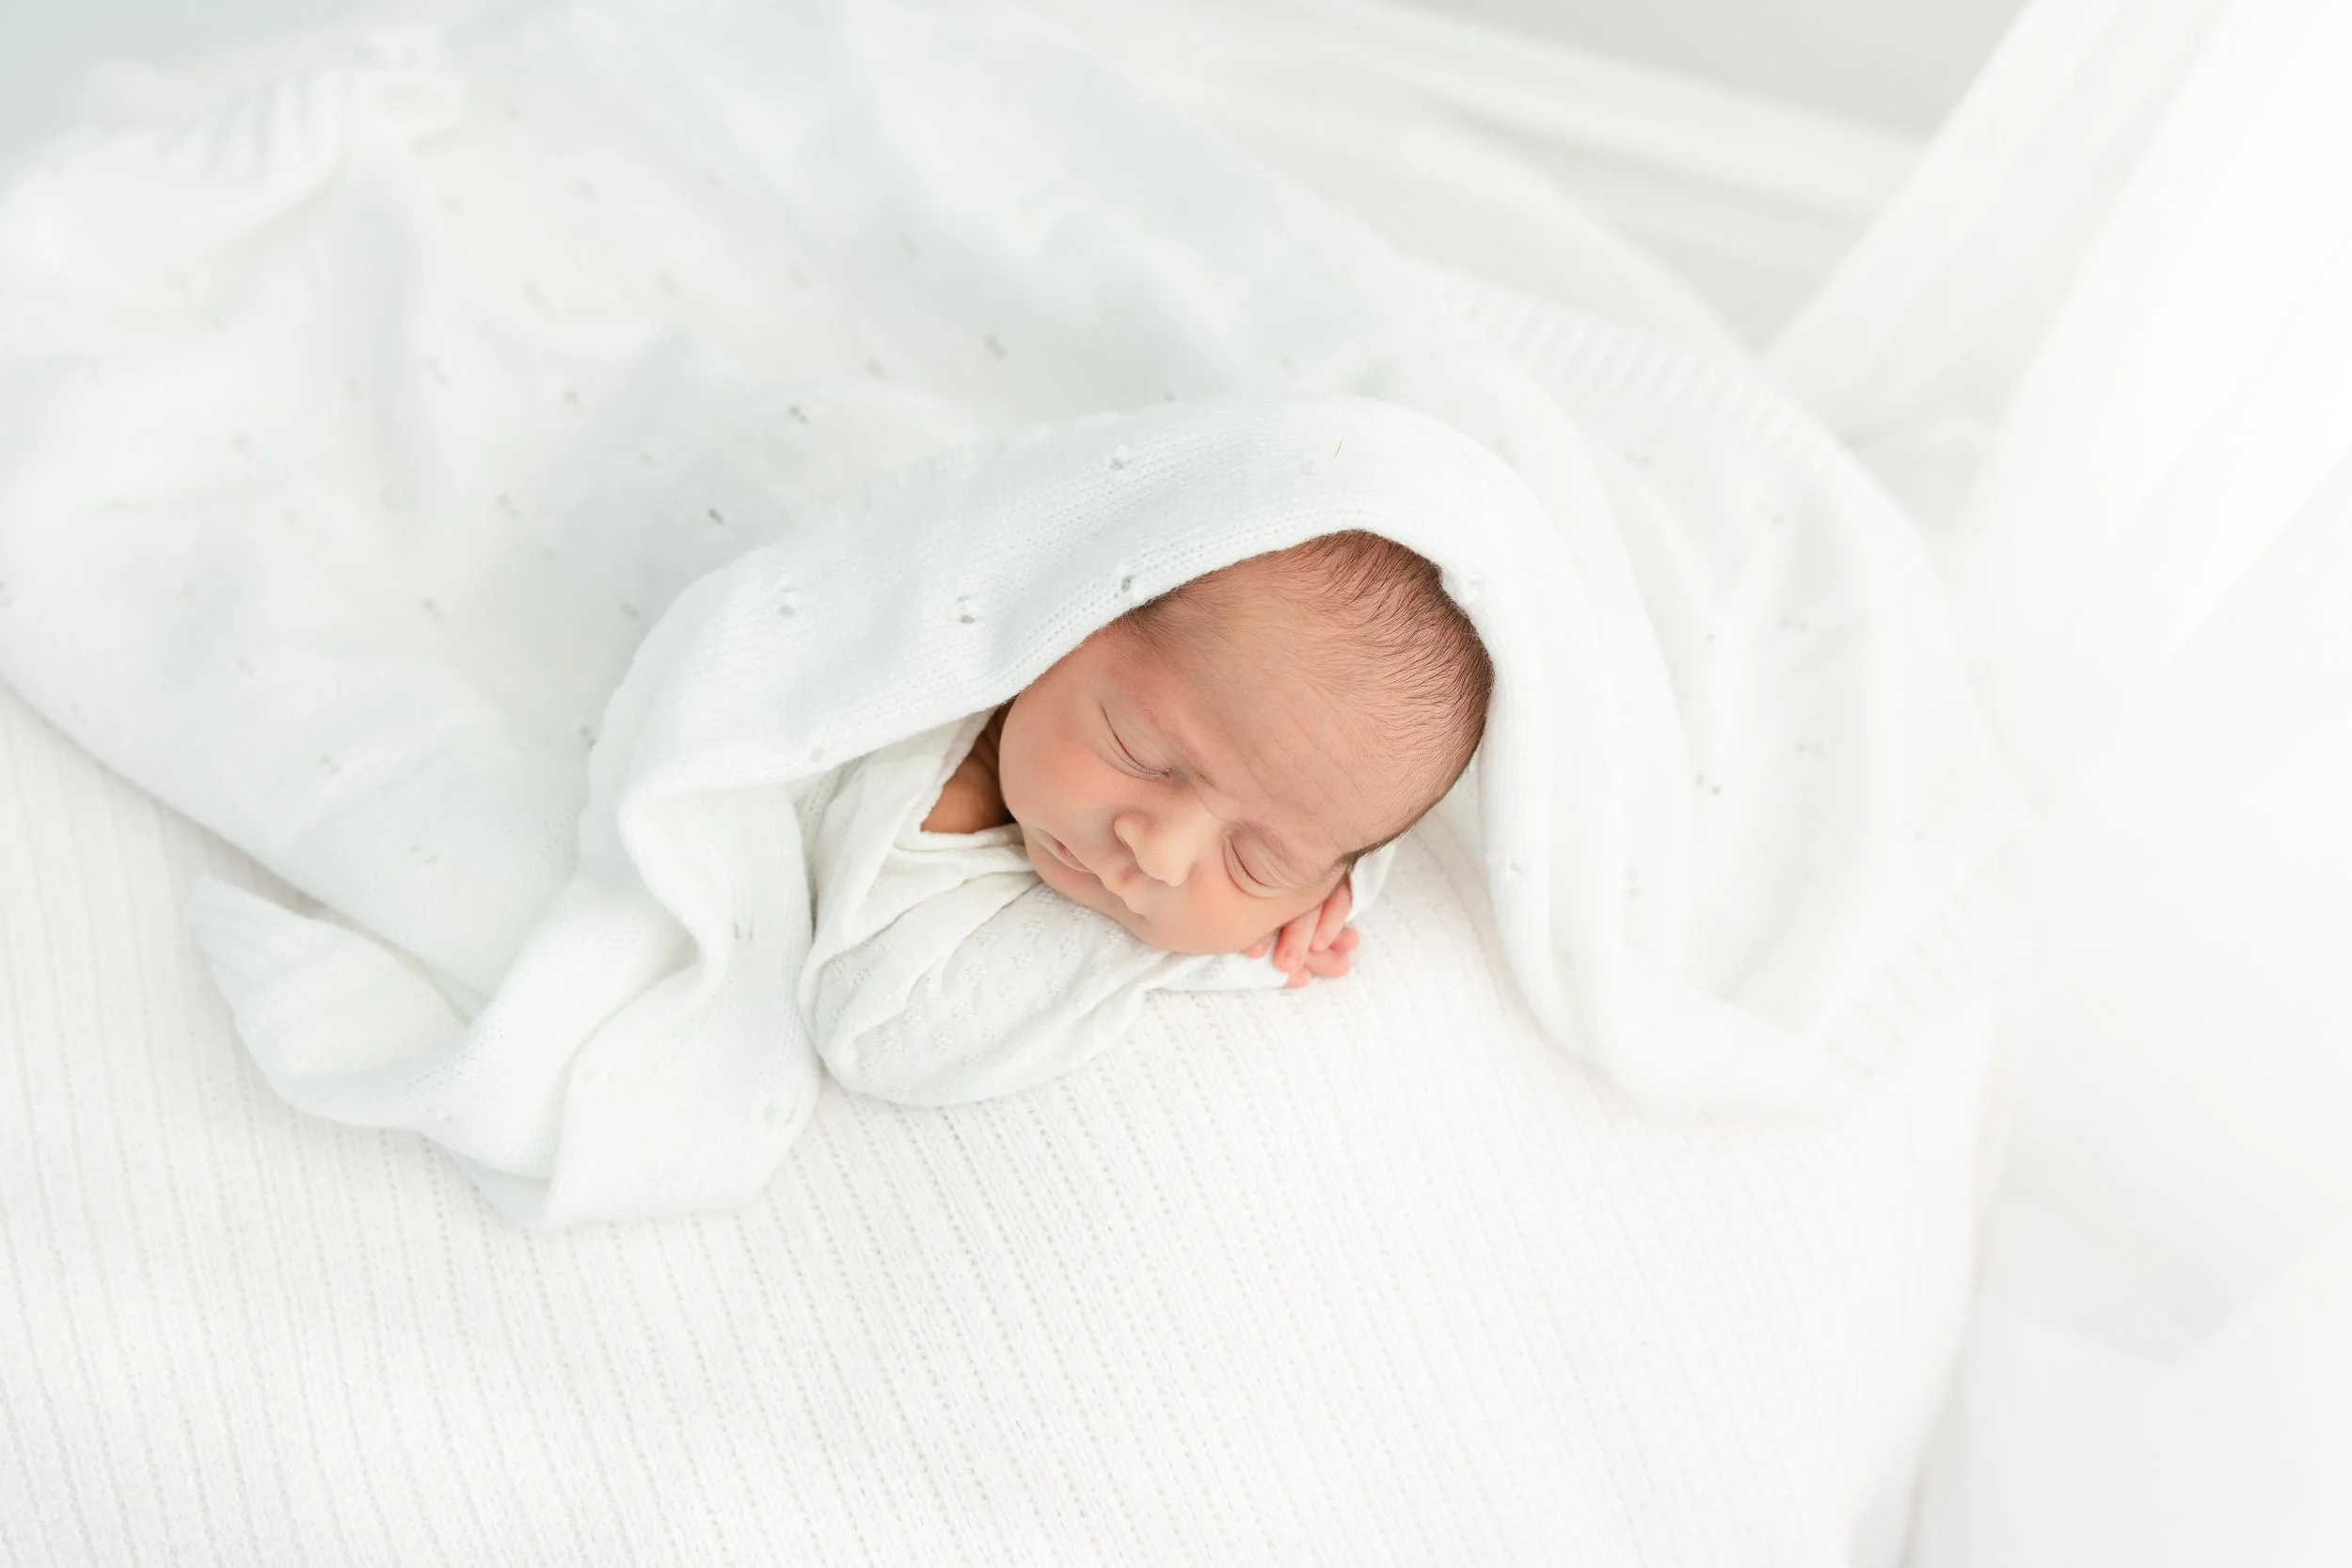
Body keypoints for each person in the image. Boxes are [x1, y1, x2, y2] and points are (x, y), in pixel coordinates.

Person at [920, 530, 1492, 990]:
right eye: (1136, 753)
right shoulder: (916, 764)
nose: (1159, 856)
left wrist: (1281, 923)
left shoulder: (1306, 866)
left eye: (1256, 864)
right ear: (1077, 620)